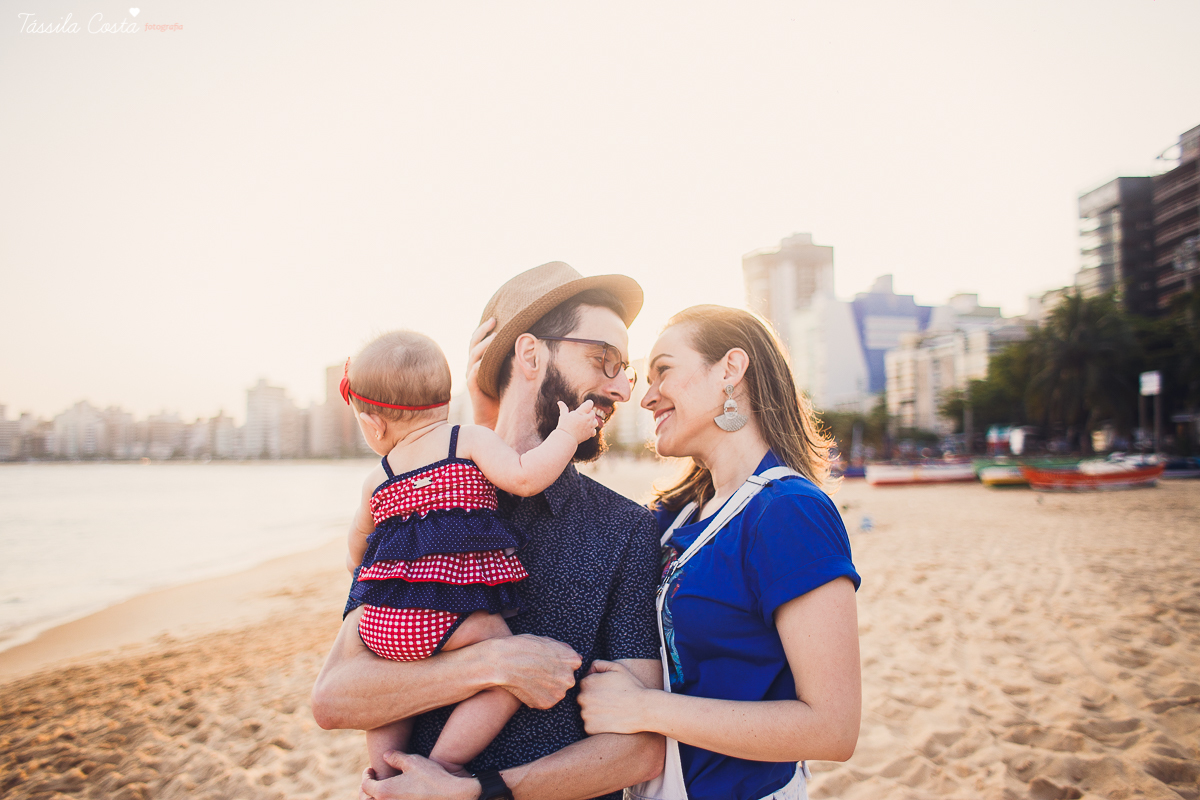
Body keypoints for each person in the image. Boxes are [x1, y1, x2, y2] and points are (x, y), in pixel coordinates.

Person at [311, 262, 666, 800]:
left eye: (626, 368)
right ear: (529, 354)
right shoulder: (421, 506)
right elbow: (335, 699)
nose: (621, 388)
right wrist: (494, 662)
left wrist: (476, 792)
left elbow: (639, 751)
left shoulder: (628, 531)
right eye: (603, 360)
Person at [577, 305, 862, 800]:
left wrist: (646, 709)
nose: (645, 397)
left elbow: (833, 729)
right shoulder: (674, 515)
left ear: (730, 370)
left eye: (663, 370)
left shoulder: (788, 513)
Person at [339, 329, 603, 779]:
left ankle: (383, 774)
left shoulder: (378, 478)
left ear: (373, 424)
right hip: (453, 618)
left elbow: (356, 554)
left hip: (383, 625)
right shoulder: (467, 442)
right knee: (513, 666)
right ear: (444, 401)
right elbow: (524, 477)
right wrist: (567, 434)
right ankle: (446, 761)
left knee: (389, 699)